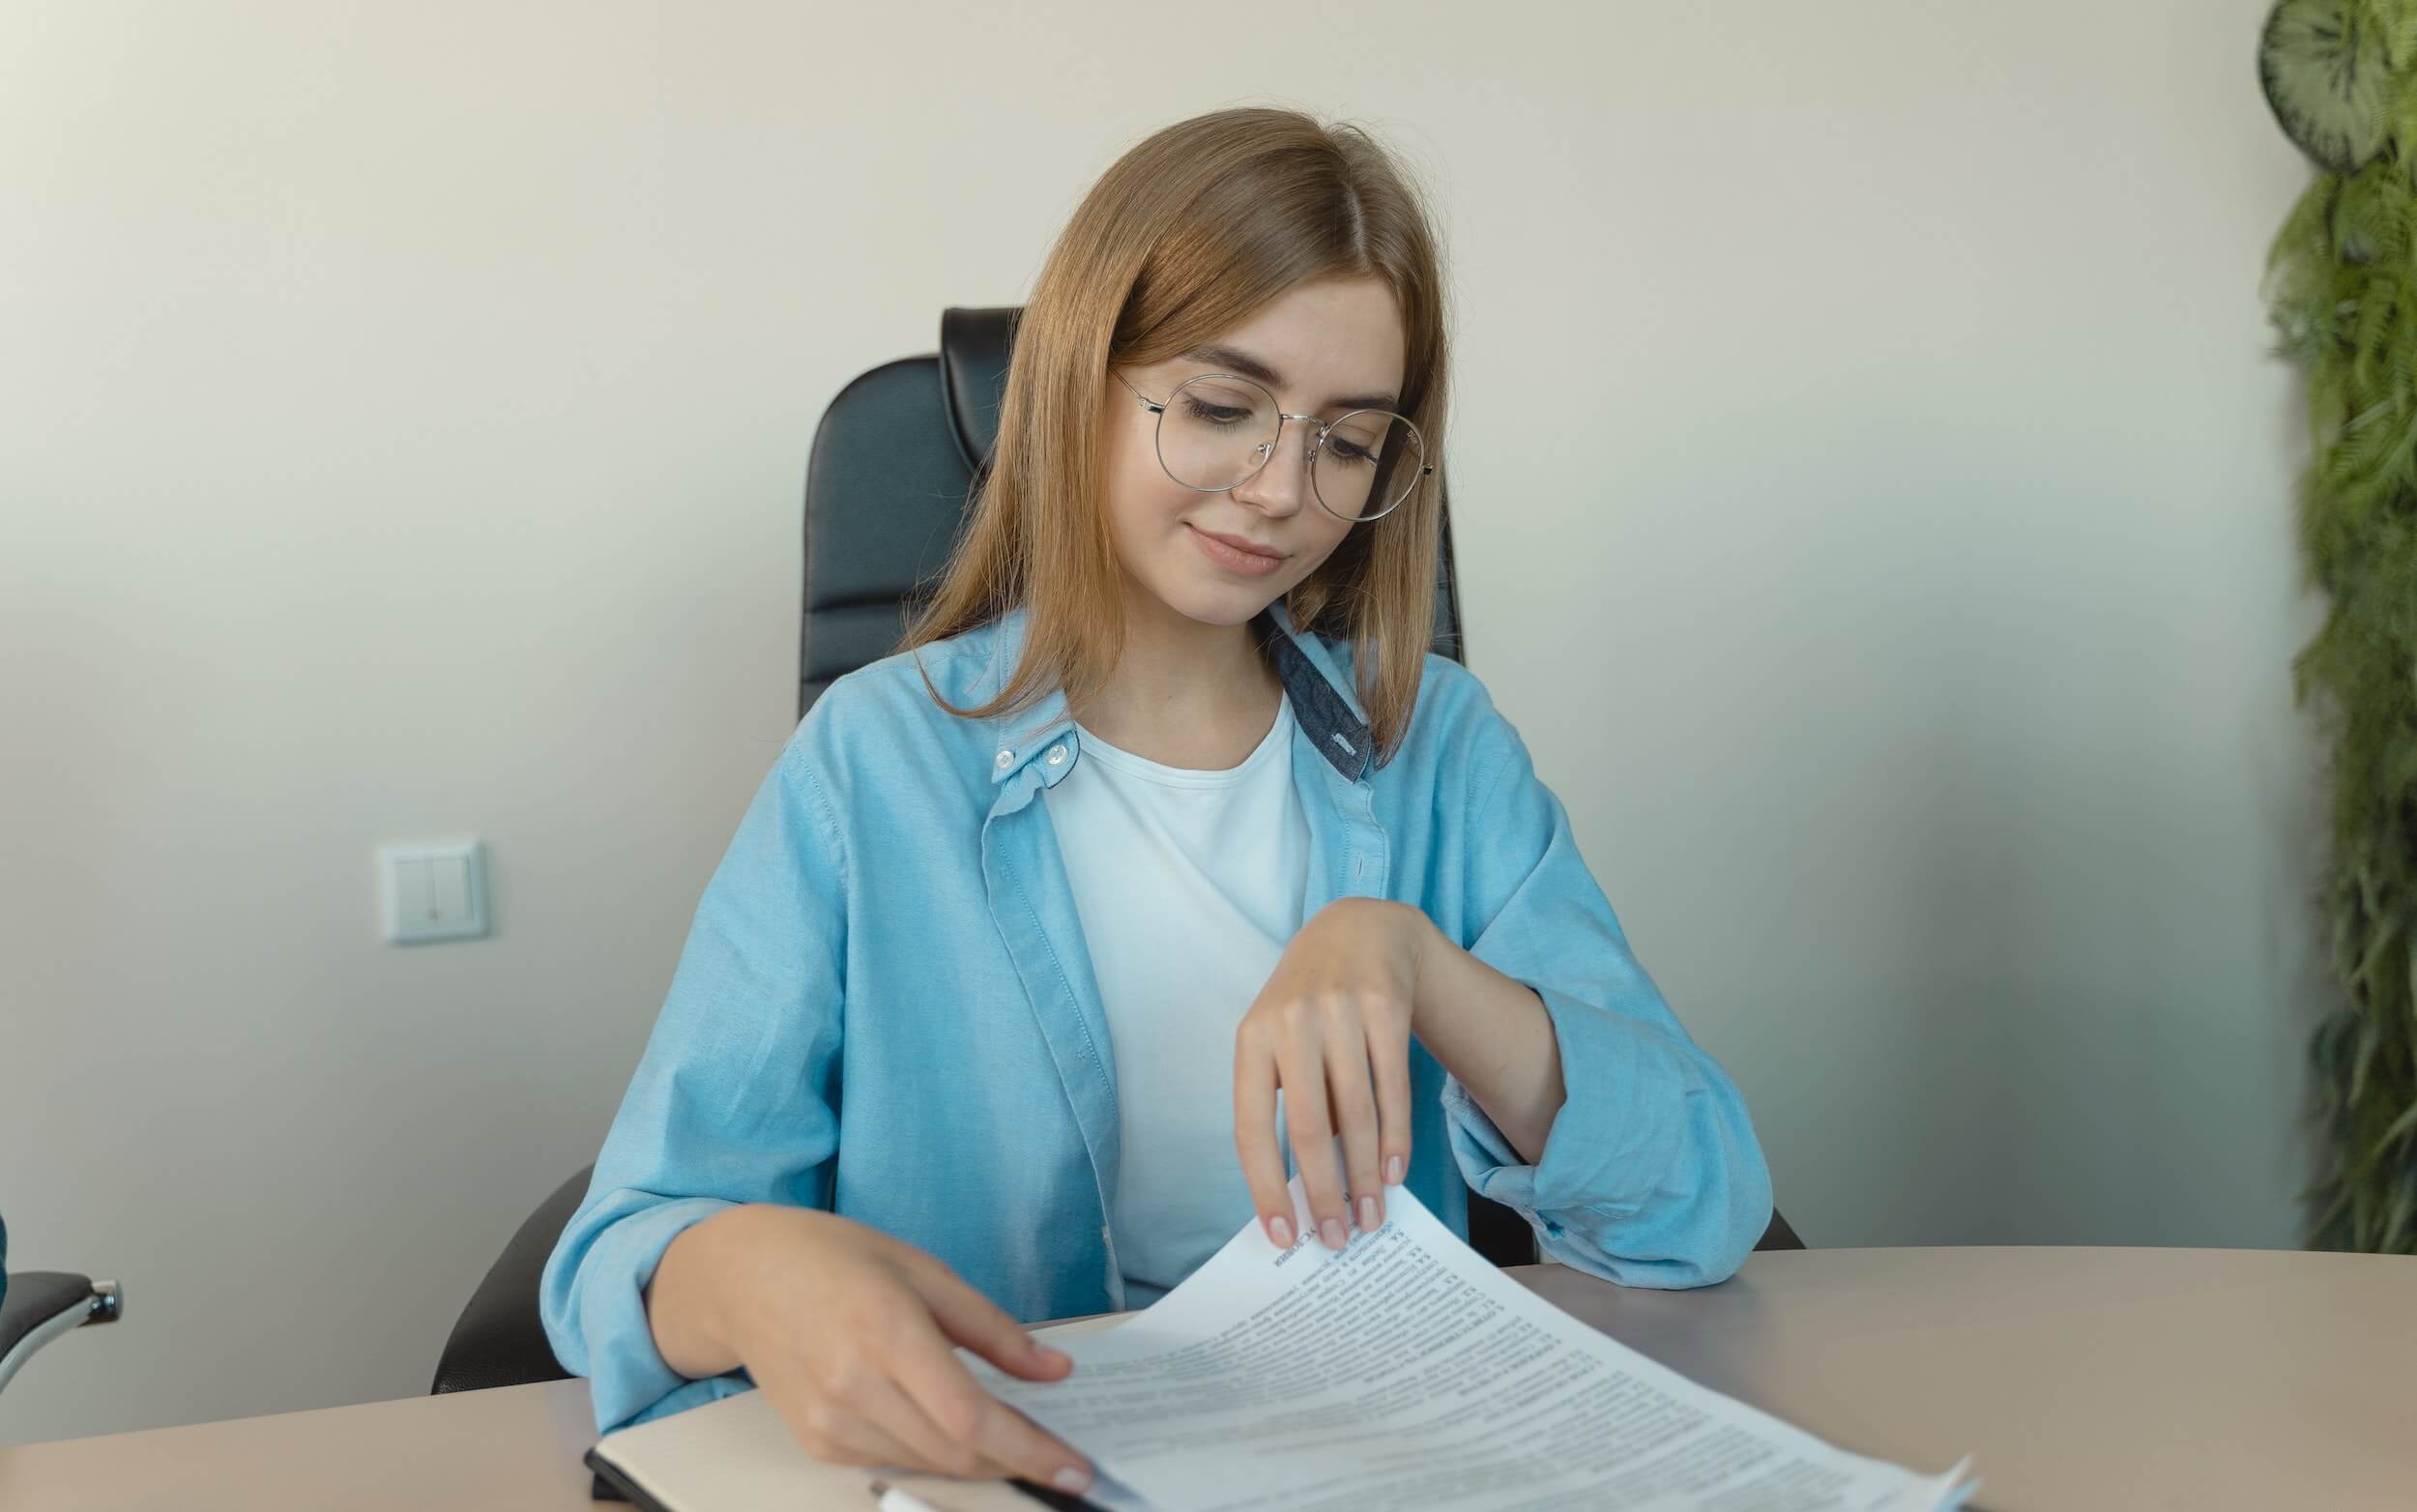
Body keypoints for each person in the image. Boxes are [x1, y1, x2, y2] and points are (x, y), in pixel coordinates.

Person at [539, 105, 1771, 1498]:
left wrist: (1414, 959)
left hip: (1371, 1460)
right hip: (997, 1466)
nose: (1279, 493)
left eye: (1348, 443)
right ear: (1080, 381)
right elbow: (625, 1252)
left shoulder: (1438, 747)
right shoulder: (872, 765)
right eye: (1223, 407)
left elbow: (1699, 1203)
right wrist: (749, 1270)